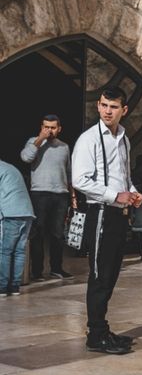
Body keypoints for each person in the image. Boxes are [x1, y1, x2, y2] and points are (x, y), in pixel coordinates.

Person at [72, 87, 142, 354]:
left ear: (124, 110)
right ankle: (96, 335)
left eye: (113, 107)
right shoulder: (89, 139)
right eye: (103, 105)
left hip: (118, 213)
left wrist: (133, 192)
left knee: (112, 273)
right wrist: (116, 195)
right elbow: (79, 180)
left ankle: (102, 328)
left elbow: (123, 176)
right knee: (100, 275)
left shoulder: (123, 138)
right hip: (100, 211)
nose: (107, 111)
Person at [20, 114, 75, 281]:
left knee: (58, 234)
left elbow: (69, 172)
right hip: (40, 193)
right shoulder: (33, 142)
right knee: (38, 232)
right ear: (41, 127)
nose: (49, 131)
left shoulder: (64, 146)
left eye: (52, 127)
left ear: (59, 129)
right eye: (46, 127)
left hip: (60, 194)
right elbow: (26, 157)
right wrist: (40, 139)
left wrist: (72, 194)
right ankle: (37, 272)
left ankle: (56, 268)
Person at [0, 159, 35, 297]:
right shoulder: (9, 167)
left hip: (11, 213)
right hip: (27, 213)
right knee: (20, 251)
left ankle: (2, 287)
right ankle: (14, 287)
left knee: (5, 251)